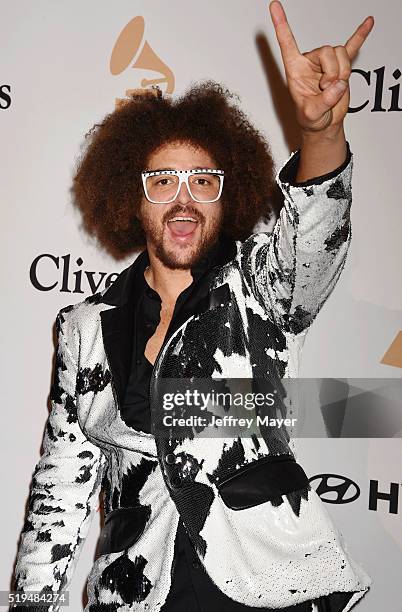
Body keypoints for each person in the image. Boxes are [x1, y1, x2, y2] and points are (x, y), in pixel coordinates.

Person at [10, 2, 374, 611]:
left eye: (203, 180)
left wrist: (320, 133)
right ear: (132, 196)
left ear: (225, 195)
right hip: (136, 591)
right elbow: (59, 494)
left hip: (264, 588)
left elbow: (314, 240)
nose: (184, 201)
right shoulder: (83, 330)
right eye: (162, 182)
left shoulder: (259, 290)